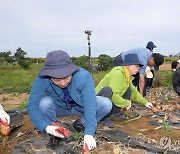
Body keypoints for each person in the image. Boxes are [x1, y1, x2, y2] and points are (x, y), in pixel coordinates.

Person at [26, 50, 112, 151]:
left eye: (66, 78)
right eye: (57, 80)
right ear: (49, 76)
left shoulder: (84, 76)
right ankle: (54, 133)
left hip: (79, 107)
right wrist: (46, 127)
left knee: (106, 104)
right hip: (59, 108)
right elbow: (32, 106)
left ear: (71, 71)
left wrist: (89, 133)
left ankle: (81, 124)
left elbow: (90, 103)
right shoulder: (41, 80)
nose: (62, 83)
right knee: (44, 103)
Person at [96, 53, 154, 127]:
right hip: (98, 102)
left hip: (109, 101)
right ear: (128, 65)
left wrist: (145, 103)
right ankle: (103, 118)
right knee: (108, 90)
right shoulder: (117, 74)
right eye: (137, 66)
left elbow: (134, 92)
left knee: (128, 90)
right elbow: (113, 94)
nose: (138, 68)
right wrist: (126, 103)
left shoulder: (127, 76)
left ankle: (114, 113)